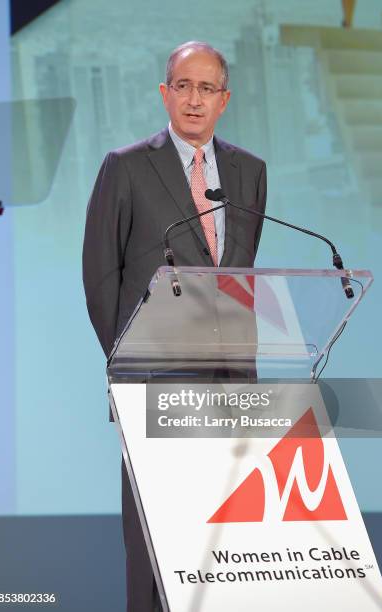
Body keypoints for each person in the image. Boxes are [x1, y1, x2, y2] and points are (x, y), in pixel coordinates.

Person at [82, 41, 267, 612]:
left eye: (206, 88)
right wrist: (127, 362)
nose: (194, 99)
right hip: (153, 381)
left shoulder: (250, 172)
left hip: (231, 383)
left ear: (225, 100)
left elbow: (241, 273)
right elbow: (99, 273)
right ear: (165, 93)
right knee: (153, 542)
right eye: (182, 86)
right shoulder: (126, 166)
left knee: (222, 547)